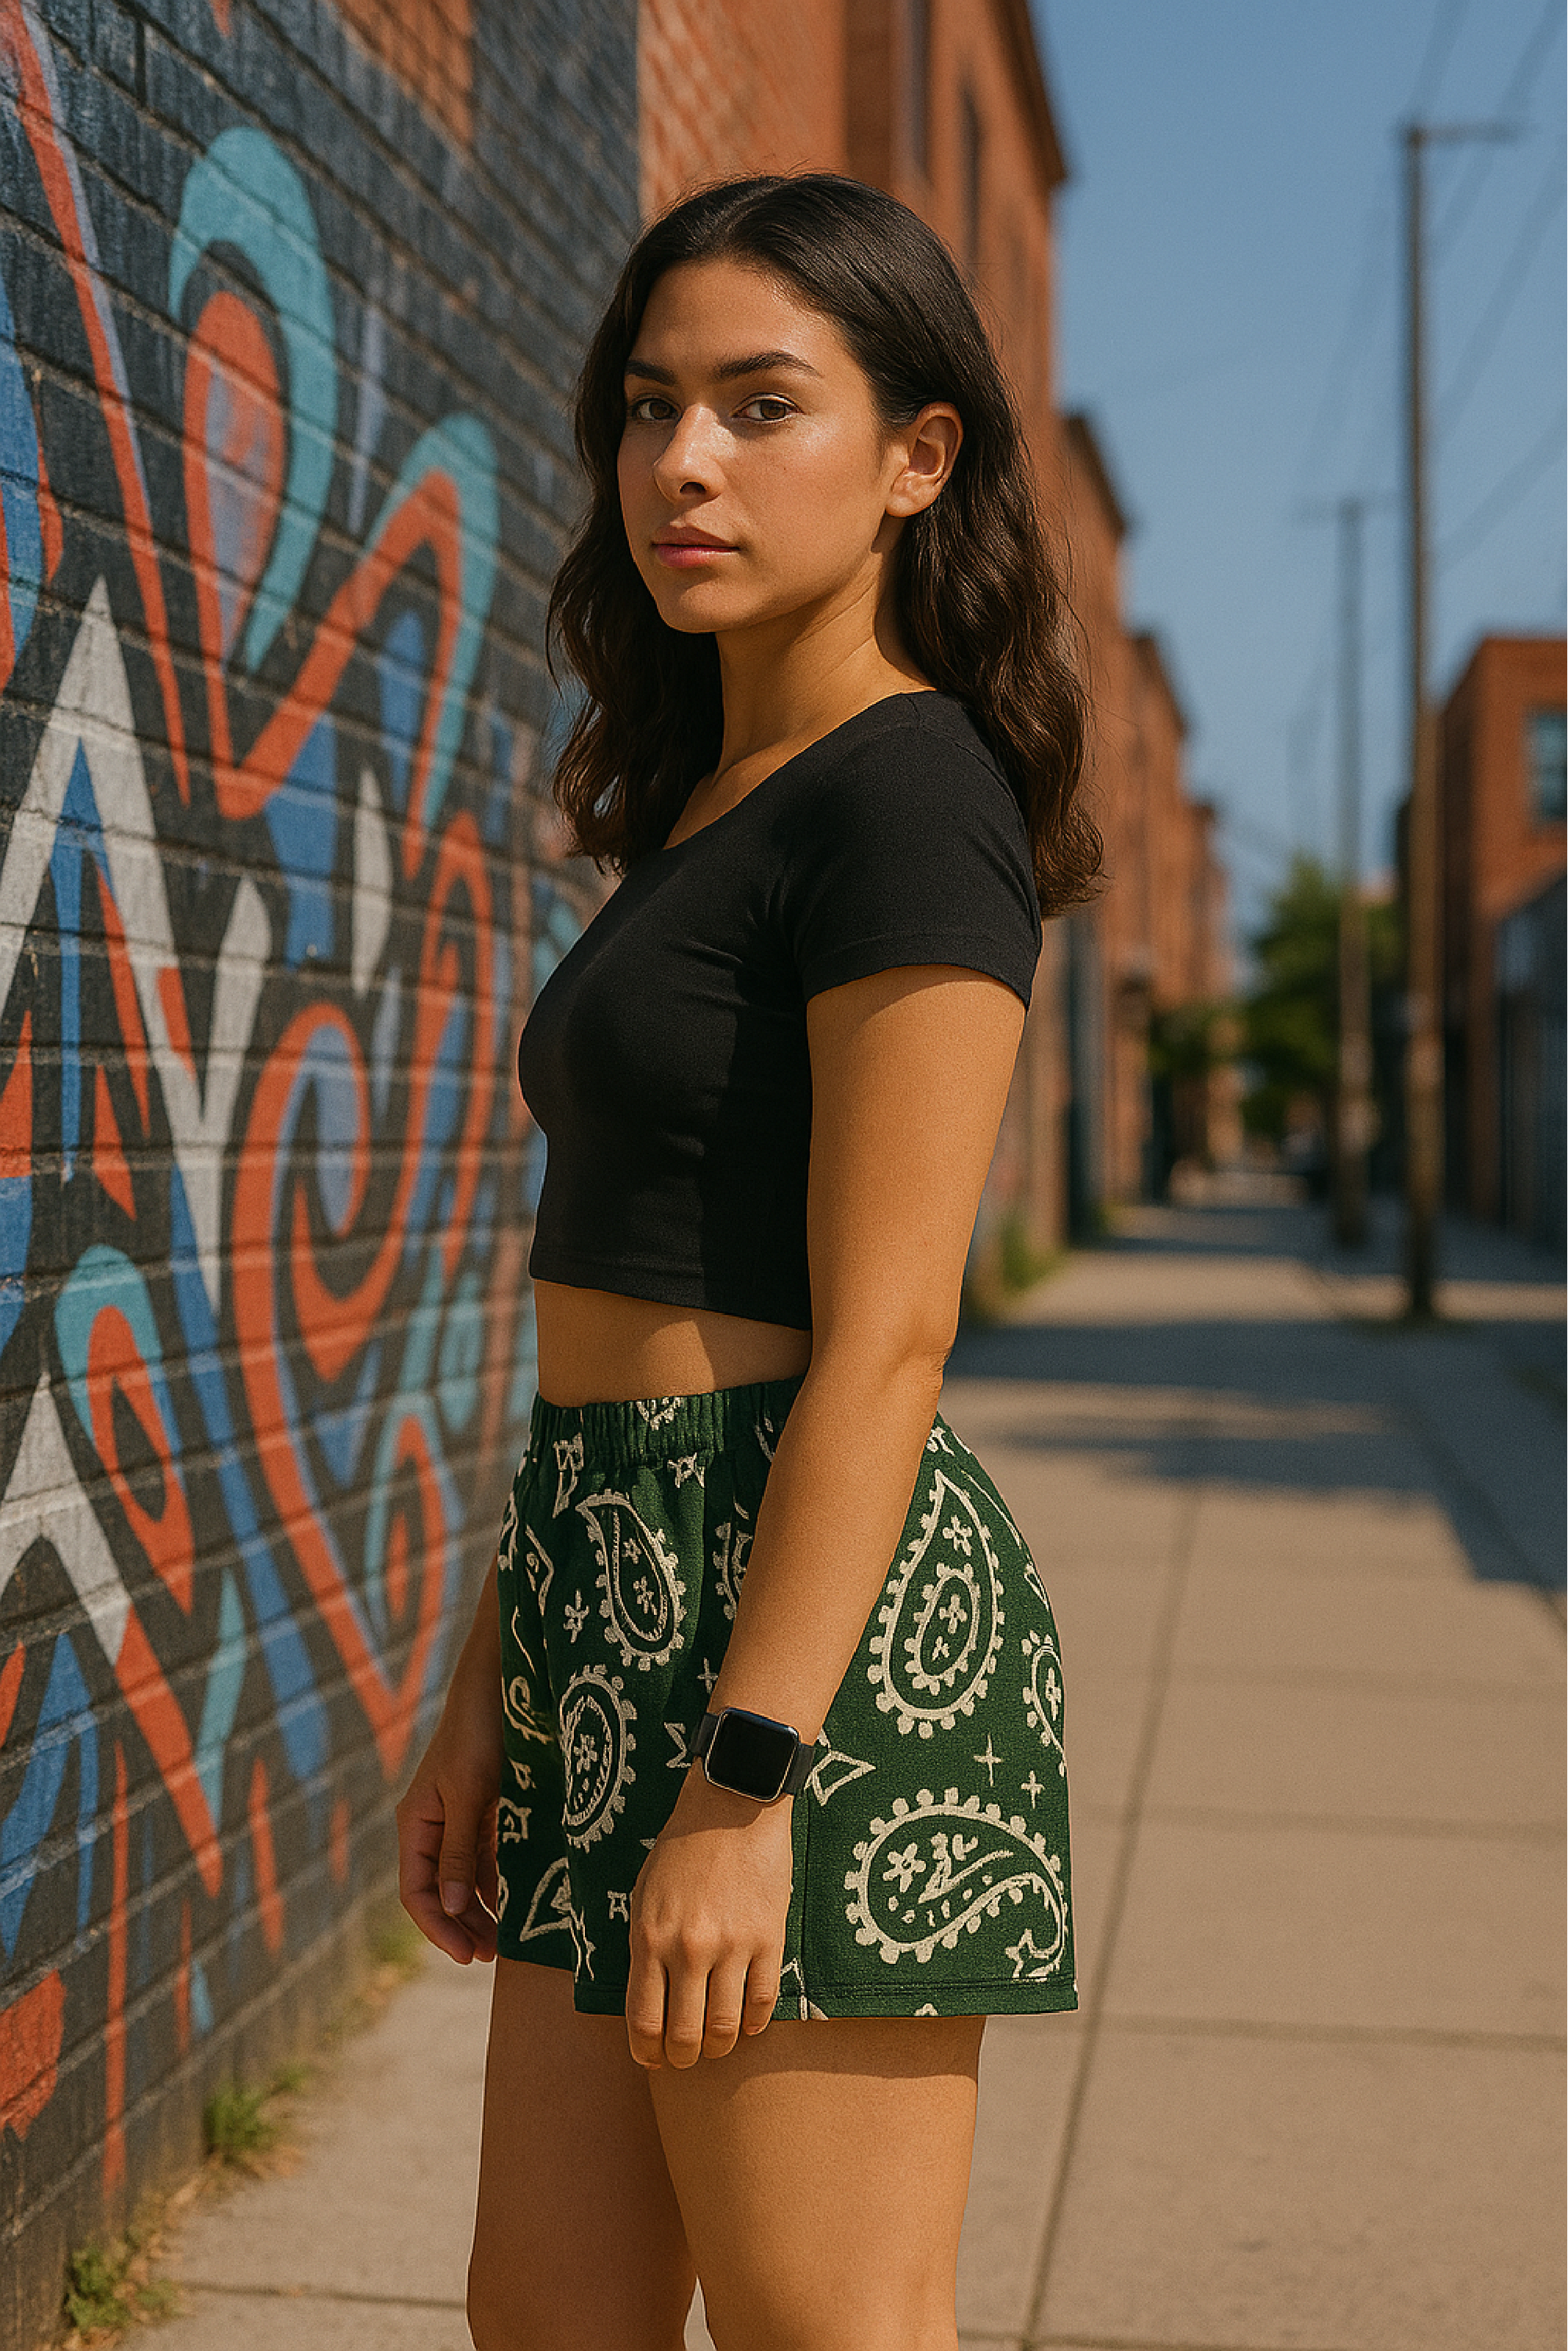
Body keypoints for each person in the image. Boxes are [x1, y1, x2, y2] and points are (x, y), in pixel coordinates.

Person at [397, 172, 1098, 2351]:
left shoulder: (911, 797)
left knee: (829, 2324)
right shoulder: (705, 793)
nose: (679, 463)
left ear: (919, 456)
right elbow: (620, 1306)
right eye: (648, 404)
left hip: (816, 1663)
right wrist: (495, 1674)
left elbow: (883, 1337)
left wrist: (743, 1781)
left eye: (761, 404)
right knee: (553, 2317)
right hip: (614, 1590)